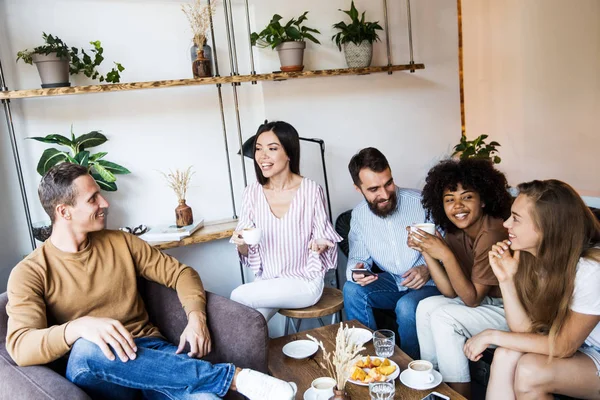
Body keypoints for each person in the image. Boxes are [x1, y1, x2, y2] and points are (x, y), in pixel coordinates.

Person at [5, 163, 296, 400]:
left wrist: (196, 319)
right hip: (100, 371)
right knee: (86, 347)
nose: (104, 203)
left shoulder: (120, 242)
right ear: (63, 212)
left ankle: (220, 382)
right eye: (93, 198)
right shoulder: (30, 271)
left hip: (154, 354)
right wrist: (78, 328)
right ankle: (232, 377)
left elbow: (182, 274)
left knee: (206, 399)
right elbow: (20, 346)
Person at [464, 179, 600, 400]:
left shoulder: (590, 270)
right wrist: (506, 280)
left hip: (592, 353)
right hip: (583, 350)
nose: (506, 224)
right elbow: (526, 331)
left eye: (516, 219)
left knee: (530, 371)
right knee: (506, 353)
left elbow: (564, 345)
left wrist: (492, 335)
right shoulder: (536, 260)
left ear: (547, 226)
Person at [412, 158, 512, 398]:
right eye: (449, 200)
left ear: (484, 199)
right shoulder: (457, 231)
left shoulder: (492, 232)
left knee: (444, 318)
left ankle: (458, 396)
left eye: (467, 197)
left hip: (513, 311)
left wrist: (444, 253)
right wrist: (426, 249)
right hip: (489, 304)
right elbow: (449, 291)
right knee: (425, 307)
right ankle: (434, 387)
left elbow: (472, 299)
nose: (458, 206)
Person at [230, 121, 342, 322]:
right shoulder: (252, 193)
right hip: (268, 282)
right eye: (258, 149)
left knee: (238, 296)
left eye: (272, 149)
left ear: (289, 153)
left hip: (304, 283)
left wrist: (321, 244)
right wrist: (242, 244)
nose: (262, 156)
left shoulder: (311, 191)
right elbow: (246, 252)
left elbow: (324, 240)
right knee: (247, 325)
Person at [342, 147, 440, 360]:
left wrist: (427, 268)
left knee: (407, 307)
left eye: (389, 183)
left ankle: (411, 371)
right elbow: (358, 259)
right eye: (374, 189)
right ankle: (369, 362)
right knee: (352, 290)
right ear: (358, 189)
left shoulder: (422, 202)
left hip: (432, 285)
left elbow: (448, 245)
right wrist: (358, 271)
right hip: (394, 283)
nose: (385, 194)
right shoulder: (359, 216)